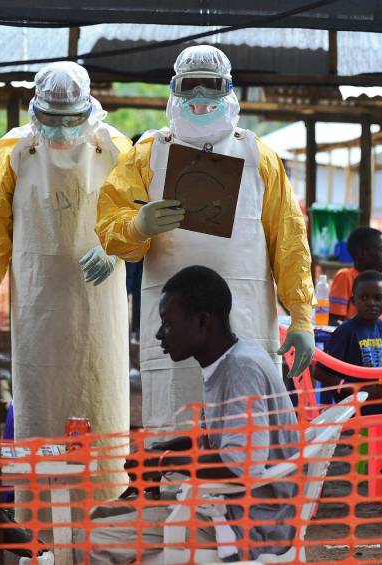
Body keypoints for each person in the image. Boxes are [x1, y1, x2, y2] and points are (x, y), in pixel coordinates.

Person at [95, 45, 315, 432]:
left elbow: (290, 241)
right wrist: (136, 226)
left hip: (243, 317)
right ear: (173, 89)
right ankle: (179, 492)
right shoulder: (147, 153)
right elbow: (112, 226)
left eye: (209, 87)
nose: (199, 98)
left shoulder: (259, 156)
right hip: (174, 322)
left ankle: (242, 493)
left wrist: (302, 316)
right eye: (189, 87)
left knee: (243, 426)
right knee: (179, 423)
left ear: (228, 89)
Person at [0, 61, 131, 498]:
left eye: (69, 120)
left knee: (100, 407)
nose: (59, 130)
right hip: (38, 308)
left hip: (99, 309)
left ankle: (102, 518)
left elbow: (139, 211)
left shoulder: (115, 150)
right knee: (41, 409)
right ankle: (39, 534)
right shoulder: (15, 154)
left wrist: (118, 248)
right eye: (50, 120)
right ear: (36, 112)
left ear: (88, 110)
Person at [84, 266, 299, 563]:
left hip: (249, 525)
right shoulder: (233, 359)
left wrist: (162, 460)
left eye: (168, 323)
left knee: (87, 539)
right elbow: (218, 441)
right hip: (235, 509)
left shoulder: (240, 370)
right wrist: (164, 450)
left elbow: (241, 464)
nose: (160, 334)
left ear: (201, 322)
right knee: (101, 514)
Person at [314, 270, 382, 415]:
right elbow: (319, 372)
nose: (371, 303)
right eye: (364, 297)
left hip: (376, 399)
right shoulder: (345, 332)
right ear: (353, 301)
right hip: (352, 406)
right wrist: (357, 389)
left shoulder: (381, 327)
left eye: (378, 298)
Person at [328, 227, 382, 326]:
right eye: (381, 250)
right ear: (362, 253)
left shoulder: (380, 282)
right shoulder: (345, 277)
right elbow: (334, 321)